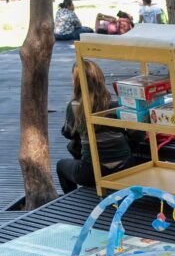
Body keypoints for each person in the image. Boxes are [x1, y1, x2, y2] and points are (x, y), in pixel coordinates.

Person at [56, 60, 133, 194]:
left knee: (61, 166)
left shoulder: (74, 106)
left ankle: (73, 199)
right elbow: (135, 133)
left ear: (77, 82)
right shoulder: (115, 104)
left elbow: (69, 133)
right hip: (125, 165)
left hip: (92, 171)